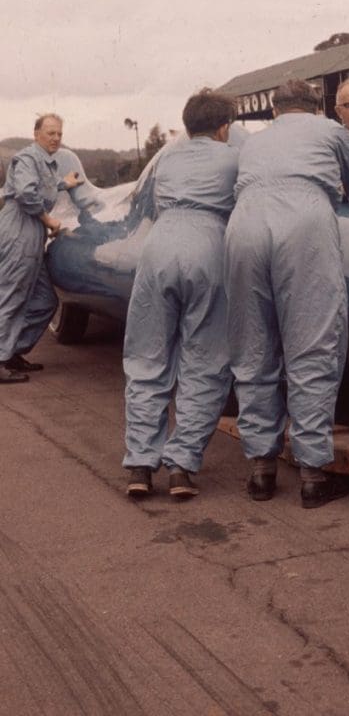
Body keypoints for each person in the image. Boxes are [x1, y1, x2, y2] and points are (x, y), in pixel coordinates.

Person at [225, 79, 349, 508]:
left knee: (253, 347)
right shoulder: (331, 132)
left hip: (244, 225)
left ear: (274, 111)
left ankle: (261, 472)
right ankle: (312, 474)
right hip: (304, 220)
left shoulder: (254, 142)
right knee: (312, 343)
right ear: (317, 106)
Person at [123, 90, 240, 499]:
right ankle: (181, 467)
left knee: (147, 356)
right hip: (208, 245)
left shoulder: (168, 156)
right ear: (224, 126)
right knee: (205, 360)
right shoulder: (234, 156)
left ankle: (139, 464)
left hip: (160, 245)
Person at [0, 114, 82, 383]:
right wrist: (48, 219)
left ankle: (10, 352)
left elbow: (41, 186)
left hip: (32, 231)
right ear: (36, 134)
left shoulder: (46, 163)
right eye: (50, 133)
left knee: (46, 301)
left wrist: (63, 183)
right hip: (19, 228)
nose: (56, 138)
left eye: (59, 133)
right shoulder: (27, 158)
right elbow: (25, 193)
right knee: (11, 296)